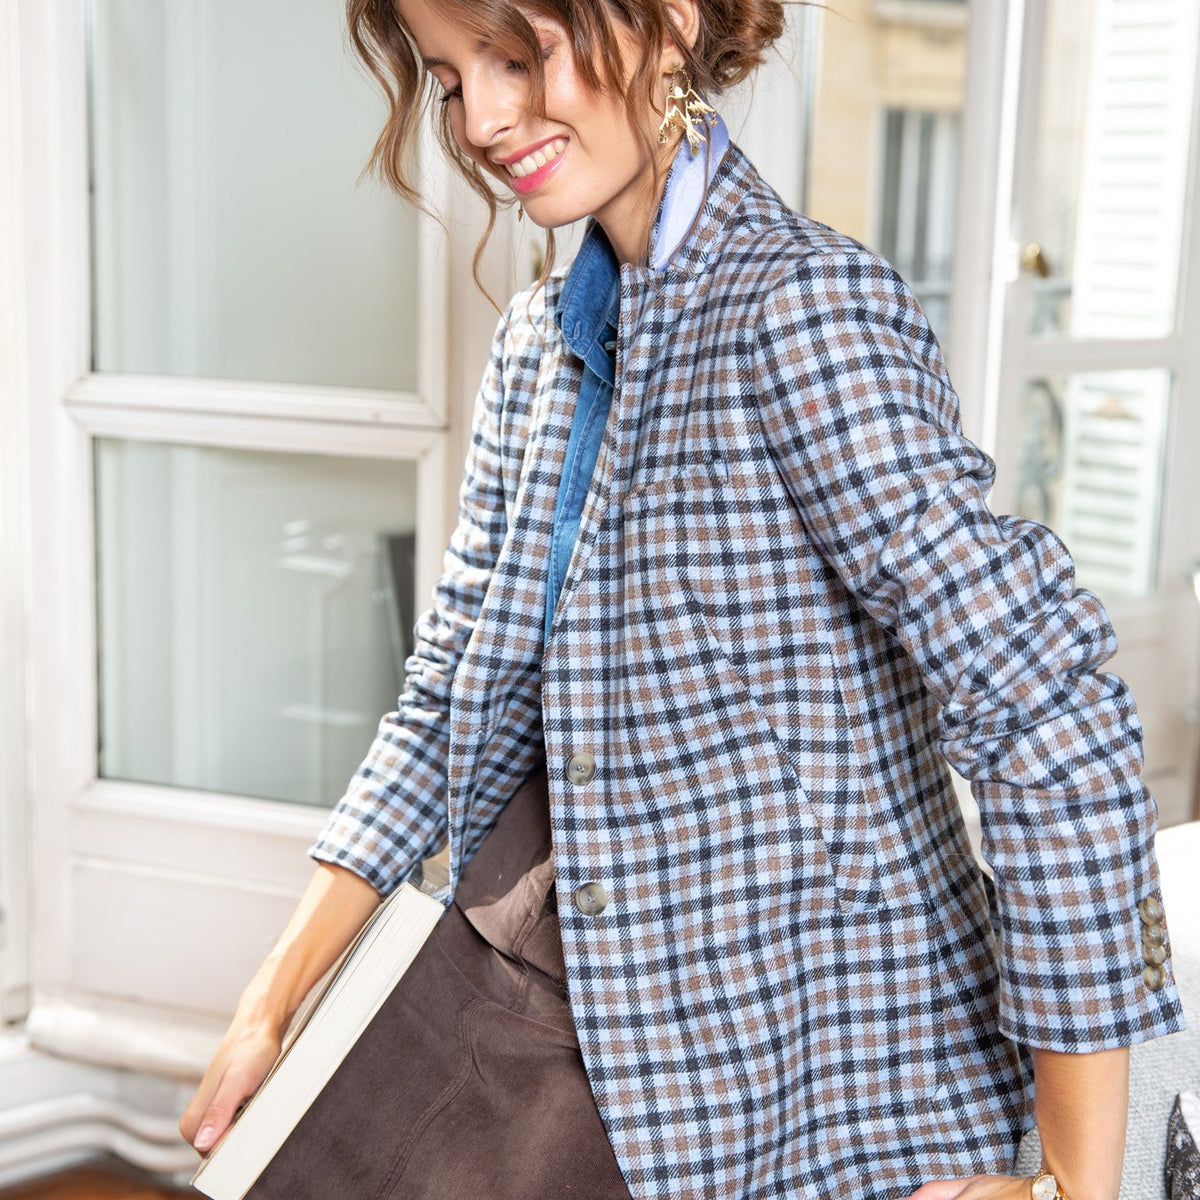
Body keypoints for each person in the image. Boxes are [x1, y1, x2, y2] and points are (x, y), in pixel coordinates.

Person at [180, 2, 1186, 1197]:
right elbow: (448, 698)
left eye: (517, 54)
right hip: (526, 1002)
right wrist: (271, 1005)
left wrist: (1076, 1185)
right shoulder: (540, 345)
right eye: (449, 78)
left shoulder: (797, 314)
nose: (485, 117)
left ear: (665, 23)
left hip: (807, 1097)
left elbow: (1050, 721)